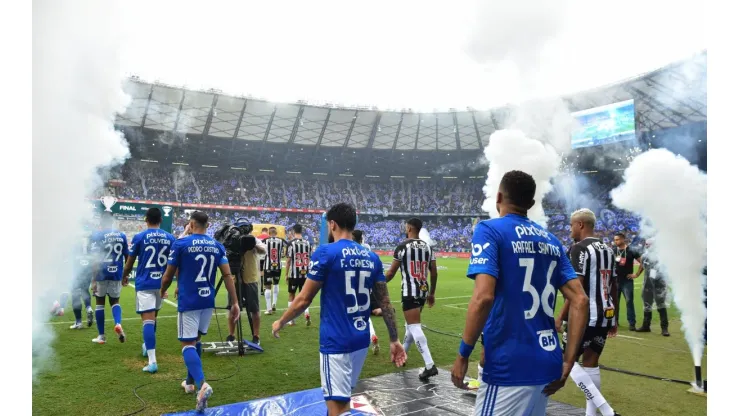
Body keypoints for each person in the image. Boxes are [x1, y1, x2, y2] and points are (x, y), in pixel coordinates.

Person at [450, 170, 590, 416]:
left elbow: (483, 297)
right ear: (531, 204)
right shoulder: (552, 241)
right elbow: (580, 300)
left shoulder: (489, 230)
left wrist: (463, 355)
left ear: (499, 196)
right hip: (548, 362)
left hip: (510, 364)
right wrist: (567, 361)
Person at [272, 203, 407, 416]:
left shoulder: (326, 252)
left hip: (336, 342)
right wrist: (394, 339)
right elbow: (386, 304)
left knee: (339, 408)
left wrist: (281, 321)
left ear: (332, 224)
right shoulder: (372, 257)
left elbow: (304, 298)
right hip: (360, 340)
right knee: (342, 399)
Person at [160, 211, 240, 412]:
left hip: (189, 300)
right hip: (207, 300)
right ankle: (189, 383)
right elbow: (228, 275)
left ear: (191, 223)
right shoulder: (217, 246)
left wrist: (162, 291)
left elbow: (168, 275)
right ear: (208, 224)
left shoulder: (181, 244)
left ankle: (202, 384)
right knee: (196, 340)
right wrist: (236, 302)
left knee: (187, 344)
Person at [556, 209, 620, 416]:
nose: (570, 229)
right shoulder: (609, 250)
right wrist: (614, 317)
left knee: (567, 360)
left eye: (572, 225)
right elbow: (614, 285)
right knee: (591, 363)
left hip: (584, 316)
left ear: (581, 225)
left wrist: (560, 317)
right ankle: (591, 414)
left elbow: (577, 289)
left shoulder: (579, 249)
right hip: (604, 315)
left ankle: (606, 410)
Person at [122, 207, 176, 373]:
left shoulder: (140, 237)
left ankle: (152, 361)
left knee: (147, 320)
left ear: (146, 219)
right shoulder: (170, 237)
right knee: (154, 317)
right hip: (161, 283)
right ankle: (147, 346)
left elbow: (130, 261)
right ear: (160, 220)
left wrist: (124, 276)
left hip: (145, 283)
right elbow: (173, 263)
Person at [385, 218, 439, 380]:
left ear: (409, 228)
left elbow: (391, 273)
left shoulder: (402, 246)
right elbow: (434, 272)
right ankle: (403, 354)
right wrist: (432, 293)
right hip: (423, 290)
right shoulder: (428, 248)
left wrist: (376, 283)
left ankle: (430, 365)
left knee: (414, 326)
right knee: (410, 326)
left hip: (410, 291)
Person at [90, 213, 130, 344]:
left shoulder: (98, 235)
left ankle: (101, 336)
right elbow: (127, 257)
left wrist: (94, 279)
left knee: (100, 303)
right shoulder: (122, 235)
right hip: (116, 273)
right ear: (112, 222)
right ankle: (118, 323)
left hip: (102, 273)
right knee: (115, 302)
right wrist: (125, 275)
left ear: (101, 222)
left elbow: (95, 259)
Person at [225, 220, 265, 345]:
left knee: (254, 308)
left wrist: (252, 245)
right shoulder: (233, 240)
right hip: (235, 278)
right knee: (232, 307)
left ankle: (256, 335)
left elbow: (264, 251)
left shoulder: (254, 239)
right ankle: (231, 334)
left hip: (250, 277)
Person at [352, 229, 380, 354]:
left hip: (353, 285)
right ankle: (372, 335)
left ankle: (357, 339)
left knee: (351, 313)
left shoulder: (350, 250)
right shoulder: (367, 249)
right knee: (365, 314)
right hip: (366, 285)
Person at [635, 240, 670, 336]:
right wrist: (638, 274)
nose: (646, 246)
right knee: (647, 304)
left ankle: (664, 328)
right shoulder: (644, 256)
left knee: (661, 304)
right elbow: (643, 267)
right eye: (646, 244)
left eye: (648, 245)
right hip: (647, 283)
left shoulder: (661, 256)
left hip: (659, 283)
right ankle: (646, 326)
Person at [285, 224, 313, 326]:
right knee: (304, 296)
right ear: (302, 231)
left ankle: (291, 319)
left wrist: (286, 274)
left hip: (294, 274)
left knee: (291, 294)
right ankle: (306, 313)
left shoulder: (291, 243)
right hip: (305, 274)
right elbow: (310, 259)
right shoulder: (308, 243)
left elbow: (288, 260)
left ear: (293, 231)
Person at [613, 232, 642, 331]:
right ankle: (614, 322)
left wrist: (637, 274)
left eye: (617, 239)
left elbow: (642, 262)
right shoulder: (613, 250)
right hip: (615, 280)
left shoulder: (631, 250)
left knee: (629, 302)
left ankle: (632, 323)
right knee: (614, 302)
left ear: (623, 239)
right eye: (615, 240)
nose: (615, 241)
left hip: (627, 280)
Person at [263, 227, 286, 315]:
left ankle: (269, 309)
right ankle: (274, 303)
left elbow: (261, 251)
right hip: (278, 267)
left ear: (269, 233)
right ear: (276, 233)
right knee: (276, 284)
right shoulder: (281, 241)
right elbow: (288, 248)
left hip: (268, 266)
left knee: (268, 286)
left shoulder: (265, 240)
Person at [257, 227, 269, 295]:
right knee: (265, 272)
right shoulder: (269, 237)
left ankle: (260, 289)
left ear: (262, 231)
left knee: (259, 272)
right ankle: (265, 288)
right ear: (266, 231)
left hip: (259, 257)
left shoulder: (258, 237)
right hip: (266, 257)